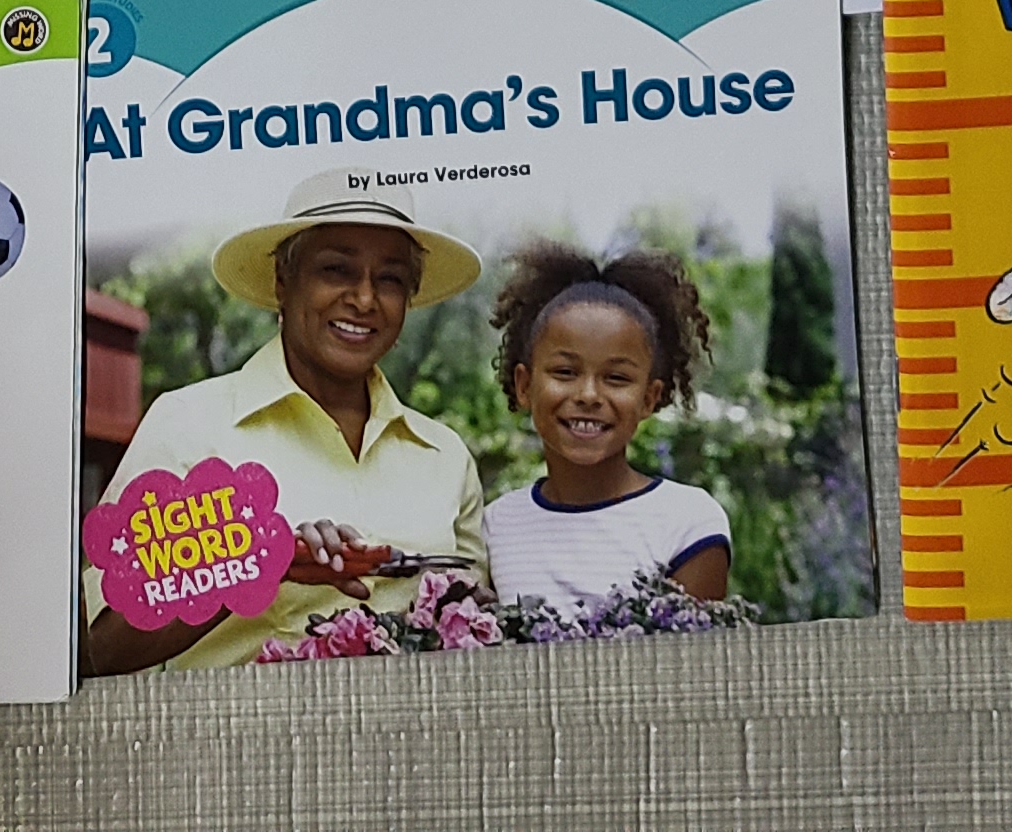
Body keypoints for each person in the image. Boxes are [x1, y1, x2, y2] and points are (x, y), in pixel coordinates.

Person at [78, 171, 488, 674]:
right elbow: (99, 650)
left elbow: (477, 628)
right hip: (229, 727)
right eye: (336, 270)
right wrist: (260, 562)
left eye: (390, 279)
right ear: (283, 281)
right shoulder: (189, 425)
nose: (364, 299)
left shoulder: (445, 456)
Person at [477, 241, 734, 613]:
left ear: (649, 398)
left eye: (616, 378)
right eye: (565, 372)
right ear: (524, 386)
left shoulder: (687, 523)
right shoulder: (496, 527)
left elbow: (693, 650)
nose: (588, 395)